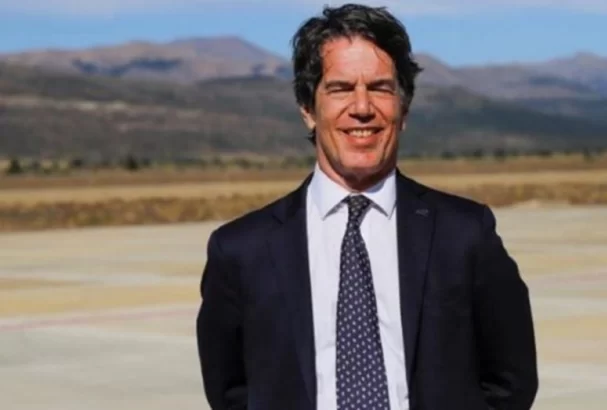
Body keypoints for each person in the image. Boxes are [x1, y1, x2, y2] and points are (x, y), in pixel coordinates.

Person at [195, 3, 538, 410]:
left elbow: (511, 381)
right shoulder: (240, 251)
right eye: (340, 88)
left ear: (403, 109)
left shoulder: (466, 235)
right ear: (308, 109)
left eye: (380, 88)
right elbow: (230, 391)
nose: (362, 107)